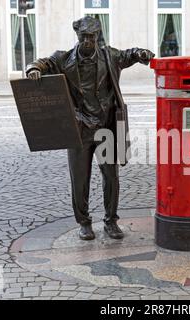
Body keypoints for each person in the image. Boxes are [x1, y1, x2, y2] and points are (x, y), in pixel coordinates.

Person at [25, 16, 155, 241]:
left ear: (98, 37)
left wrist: (142, 53)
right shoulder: (63, 59)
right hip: (78, 129)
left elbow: (129, 54)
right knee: (79, 178)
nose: (87, 41)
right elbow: (41, 63)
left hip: (106, 127)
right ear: (77, 36)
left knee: (111, 177)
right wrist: (33, 68)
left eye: (92, 37)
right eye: (84, 37)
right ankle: (84, 223)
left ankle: (111, 221)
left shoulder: (109, 56)